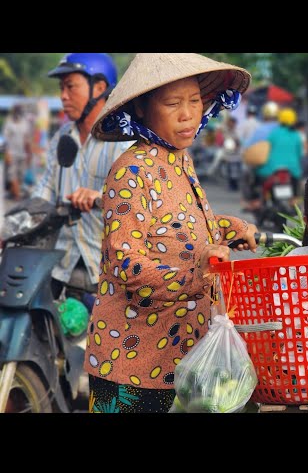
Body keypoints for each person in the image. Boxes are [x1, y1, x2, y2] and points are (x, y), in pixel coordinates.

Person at [86, 53, 259, 413]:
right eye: (172, 103)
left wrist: (229, 228)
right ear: (142, 111)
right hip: (132, 363)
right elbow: (127, 264)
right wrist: (195, 275)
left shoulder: (179, 158)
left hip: (182, 356)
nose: (188, 114)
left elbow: (180, 226)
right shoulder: (130, 171)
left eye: (195, 101)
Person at [32, 53, 134, 303]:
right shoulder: (63, 136)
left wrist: (99, 196)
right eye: (61, 88)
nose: (63, 96)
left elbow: (136, 201)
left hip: (106, 268)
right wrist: (19, 222)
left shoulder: (125, 141)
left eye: (70, 87)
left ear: (99, 87)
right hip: (61, 261)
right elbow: (46, 188)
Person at [254, 107, 304, 204]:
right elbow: (299, 154)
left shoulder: (274, 133)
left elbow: (267, 148)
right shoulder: (296, 135)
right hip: (292, 169)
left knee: (258, 178)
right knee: (297, 190)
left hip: (271, 169)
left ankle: (258, 200)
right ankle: (294, 199)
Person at [240, 101, 279, 211]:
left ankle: (253, 201)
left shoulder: (261, 129)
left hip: (265, 167)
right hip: (283, 167)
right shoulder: (282, 129)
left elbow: (248, 145)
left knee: (248, 176)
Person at [2, 104, 32, 200]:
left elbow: (26, 139)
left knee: (20, 176)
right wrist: (7, 154)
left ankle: (13, 192)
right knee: (12, 175)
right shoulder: (9, 123)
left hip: (22, 154)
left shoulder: (25, 123)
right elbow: (5, 140)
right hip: (12, 153)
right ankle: (17, 196)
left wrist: (29, 154)